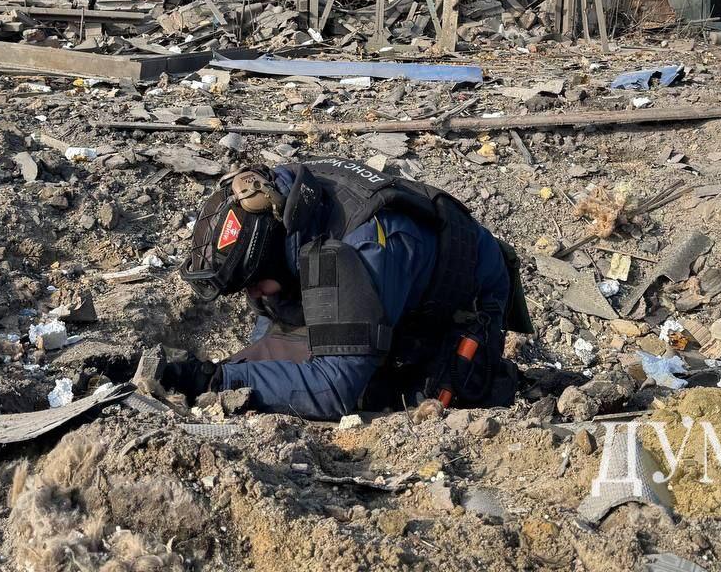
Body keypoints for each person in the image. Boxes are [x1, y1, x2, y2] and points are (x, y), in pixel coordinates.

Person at [163, 157, 533, 420]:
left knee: (397, 402)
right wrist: (213, 376)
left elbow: (334, 389)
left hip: (467, 296)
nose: (254, 295)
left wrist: (223, 382)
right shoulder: (284, 209)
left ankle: (489, 379)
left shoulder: (360, 250)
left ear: (274, 256)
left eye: (254, 283)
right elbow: (278, 337)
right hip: (389, 272)